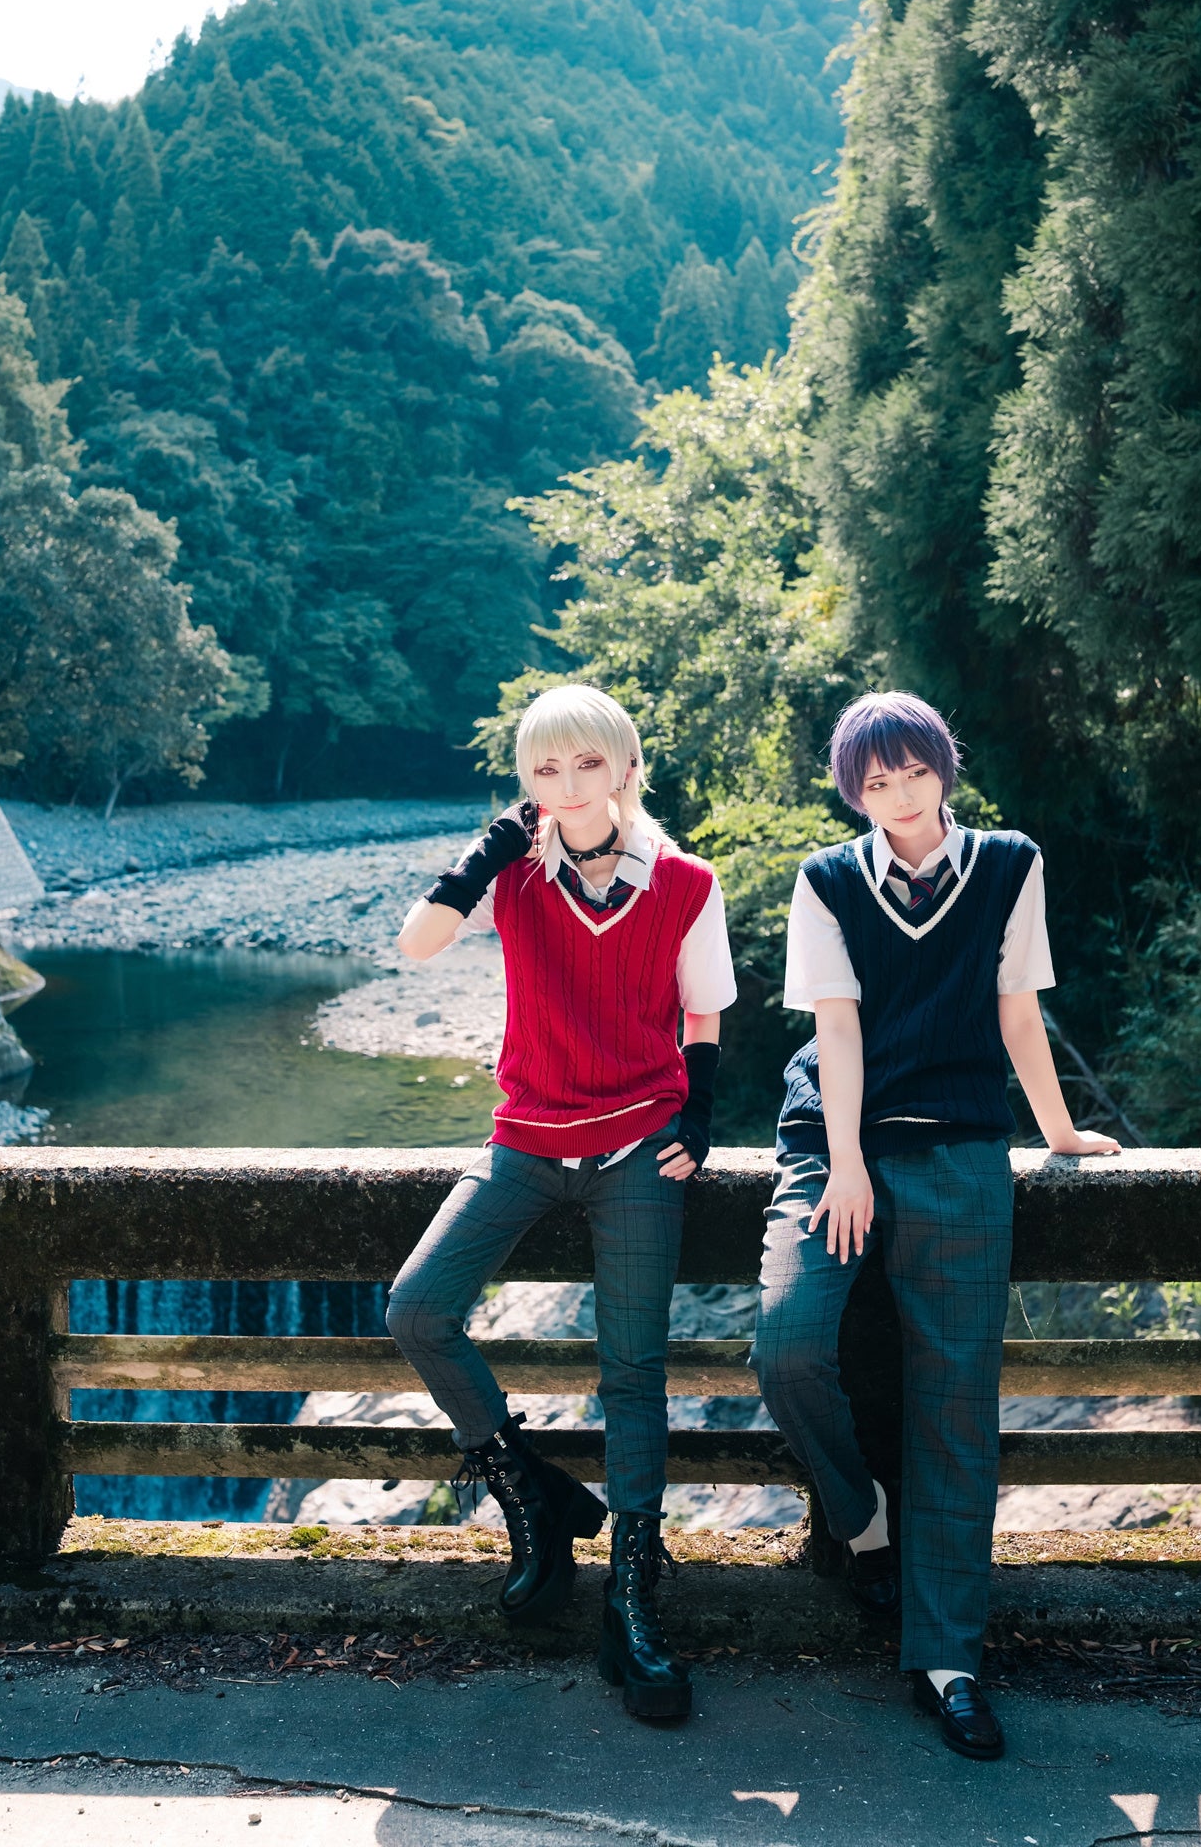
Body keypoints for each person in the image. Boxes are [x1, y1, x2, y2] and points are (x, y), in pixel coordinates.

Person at [751, 690, 1119, 1761]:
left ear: (942, 767)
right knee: (784, 1343)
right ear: (852, 792)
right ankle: (858, 1512)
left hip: (960, 1144)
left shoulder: (1007, 862)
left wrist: (1057, 1130)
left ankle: (949, 1660)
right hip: (834, 1140)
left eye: (914, 771)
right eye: (876, 782)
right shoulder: (827, 879)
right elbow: (838, 1030)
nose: (900, 795)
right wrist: (848, 1161)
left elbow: (1016, 1009)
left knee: (956, 1401)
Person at [390, 682, 736, 1721]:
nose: (569, 784)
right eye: (545, 769)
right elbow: (415, 944)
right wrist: (485, 853)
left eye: (588, 763)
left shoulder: (684, 881)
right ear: (525, 782)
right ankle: (528, 1489)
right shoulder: (515, 874)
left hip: (636, 1150)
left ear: (626, 768)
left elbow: (704, 1011)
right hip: (525, 1140)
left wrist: (697, 1116)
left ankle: (632, 1596)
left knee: (632, 1371)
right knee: (417, 1307)